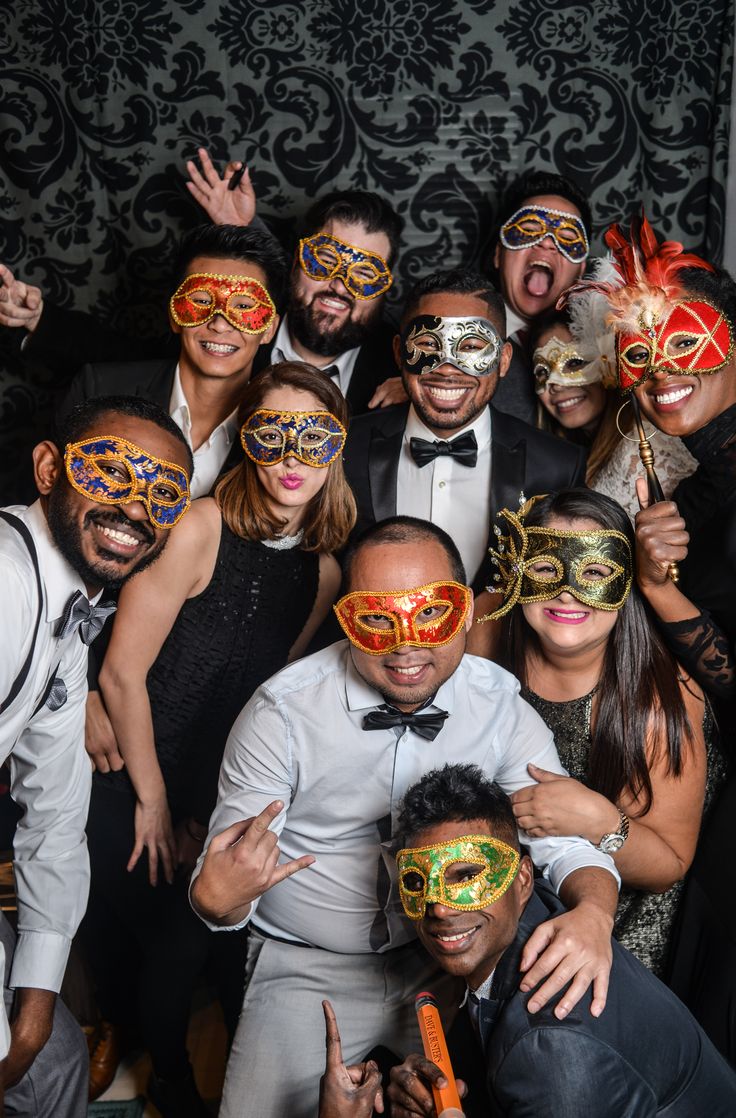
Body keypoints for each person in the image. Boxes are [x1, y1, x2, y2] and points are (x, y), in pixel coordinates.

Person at [190, 515, 619, 1118]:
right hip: (304, 963)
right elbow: (224, 882)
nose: (405, 643)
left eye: (431, 613)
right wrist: (217, 903)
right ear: (346, 618)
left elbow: (563, 845)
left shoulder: (498, 707)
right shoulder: (280, 715)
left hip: (449, 961)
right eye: (376, 617)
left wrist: (596, 913)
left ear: (466, 610)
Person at [80, 362, 352, 1116]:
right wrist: (153, 799)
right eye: (274, 433)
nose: (293, 456)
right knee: (133, 928)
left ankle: (210, 1069)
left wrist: (226, 806)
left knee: (200, 941)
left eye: (314, 435)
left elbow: (273, 703)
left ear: (337, 446)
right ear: (248, 443)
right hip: (133, 770)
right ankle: (154, 1064)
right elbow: (122, 676)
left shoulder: (324, 572)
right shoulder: (198, 526)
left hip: (222, 782)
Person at [0, 393, 193, 1117]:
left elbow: (53, 816)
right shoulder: (4, 582)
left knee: (51, 1066)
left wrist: (36, 1002)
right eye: (110, 473)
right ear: (49, 469)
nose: (137, 507)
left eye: (163, 493)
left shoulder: (69, 613)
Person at [387, 764, 736, 1118]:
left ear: (523, 878)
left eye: (467, 876)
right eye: (417, 883)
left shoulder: (551, 1045)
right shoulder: (541, 911)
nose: (440, 909)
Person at [589, 217, 736, 1058]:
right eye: (638, 355)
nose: (660, 371)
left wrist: (656, 591)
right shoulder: (703, 470)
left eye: (684, 338)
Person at [482, 487, 723, 975]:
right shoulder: (484, 629)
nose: (567, 591)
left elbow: (669, 864)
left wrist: (596, 819)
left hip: (628, 918)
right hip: (511, 886)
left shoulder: (660, 702)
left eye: (594, 572)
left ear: (627, 583)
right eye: (547, 569)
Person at [343, 268, 586, 653]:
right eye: (427, 343)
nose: (447, 367)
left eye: (472, 346)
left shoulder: (556, 466)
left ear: (504, 359)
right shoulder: (344, 447)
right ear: (397, 353)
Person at [185, 148, 406, 411]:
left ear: (384, 290)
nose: (339, 285)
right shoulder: (231, 331)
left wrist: (423, 386)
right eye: (324, 260)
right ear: (295, 264)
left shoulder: (403, 370)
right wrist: (242, 234)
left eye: (364, 274)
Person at [529, 300, 696, 519]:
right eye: (542, 372)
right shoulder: (560, 458)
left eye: (574, 363)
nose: (555, 384)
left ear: (611, 363)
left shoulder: (646, 448)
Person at [488, 170, 592, 425]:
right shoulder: (452, 331)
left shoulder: (607, 341)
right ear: (499, 254)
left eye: (567, 238)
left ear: (581, 269)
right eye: (529, 229)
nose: (546, 244)